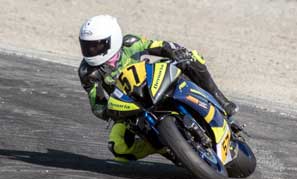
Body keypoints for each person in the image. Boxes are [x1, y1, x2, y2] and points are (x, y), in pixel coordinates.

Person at [78, 15, 238, 162]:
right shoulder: (88, 73)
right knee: (117, 146)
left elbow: (159, 46)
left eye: (96, 46)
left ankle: (220, 100)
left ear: (112, 40)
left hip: (158, 84)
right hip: (131, 110)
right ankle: (164, 145)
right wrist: (110, 110)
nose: (91, 50)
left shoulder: (130, 44)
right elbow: (97, 106)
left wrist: (174, 51)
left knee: (192, 57)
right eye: (87, 46)